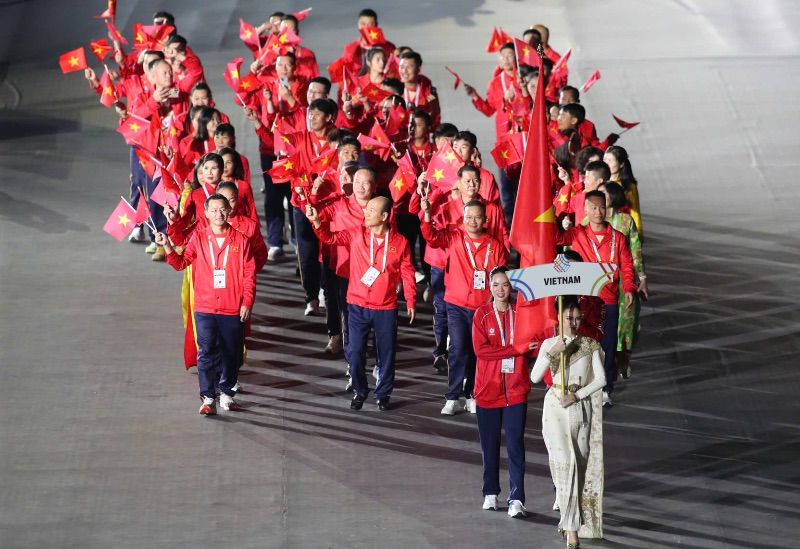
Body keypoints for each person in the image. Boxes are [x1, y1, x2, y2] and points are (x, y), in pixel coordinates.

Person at [307, 196, 417, 411]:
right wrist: (317, 223)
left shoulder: (400, 242)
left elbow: (408, 272)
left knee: (386, 353)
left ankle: (383, 393)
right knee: (355, 351)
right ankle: (360, 388)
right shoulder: (357, 234)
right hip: (357, 304)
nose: (365, 213)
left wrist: (411, 299)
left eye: (371, 210)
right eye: (366, 210)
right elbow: (330, 238)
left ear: (385, 216)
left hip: (385, 307)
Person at [156, 193, 256, 415]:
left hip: (232, 307)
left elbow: (249, 275)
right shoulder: (198, 239)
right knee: (207, 351)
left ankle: (227, 394)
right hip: (204, 307)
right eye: (214, 210)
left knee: (231, 353)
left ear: (228, 211)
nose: (219, 214)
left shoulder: (241, 240)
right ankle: (208, 397)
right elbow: (181, 263)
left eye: (223, 209)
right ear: (206, 213)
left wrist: (247, 301)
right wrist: (168, 246)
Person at [420, 197, 508, 415]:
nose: (473, 221)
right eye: (468, 217)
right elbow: (431, 237)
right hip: (456, 304)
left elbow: (500, 277)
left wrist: (495, 301)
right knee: (458, 348)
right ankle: (452, 396)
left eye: (477, 217)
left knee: (477, 352)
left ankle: (472, 394)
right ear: (463, 218)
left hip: (482, 308)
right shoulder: (455, 238)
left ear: (485, 219)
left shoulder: (494, 246)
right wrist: (428, 215)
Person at [530, 296, 606, 547]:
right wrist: (552, 353)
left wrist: (577, 395)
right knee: (565, 465)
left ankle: (567, 519)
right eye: (568, 318)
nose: (573, 323)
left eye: (576, 318)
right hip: (555, 407)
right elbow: (534, 377)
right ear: (559, 318)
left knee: (580, 466)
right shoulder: (549, 344)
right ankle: (572, 530)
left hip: (580, 406)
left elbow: (601, 380)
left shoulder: (590, 344)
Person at [557, 191, 636, 407]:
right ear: (585, 210)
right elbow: (556, 238)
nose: (598, 212)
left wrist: (628, 288)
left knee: (607, 345)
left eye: (601, 207)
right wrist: (558, 219)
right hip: (583, 300)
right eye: (593, 207)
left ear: (606, 209)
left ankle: (605, 388)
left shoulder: (618, 238)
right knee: (582, 344)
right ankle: (580, 386)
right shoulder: (577, 234)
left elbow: (627, 265)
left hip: (608, 300)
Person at [472, 267, 537, 518]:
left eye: (506, 285)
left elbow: (530, 346)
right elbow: (481, 351)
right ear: (490, 287)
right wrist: (515, 349)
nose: (501, 289)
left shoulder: (522, 313)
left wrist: (533, 347)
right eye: (496, 284)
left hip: (515, 389)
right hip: (487, 389)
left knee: (515, 446)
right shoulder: (481, 314)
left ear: (512, 288)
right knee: (489, 445)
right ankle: (490, 492)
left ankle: (517, 498)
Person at [595, 181, 648, 377]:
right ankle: (605, 375)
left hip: (623, 285)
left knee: (625, 328)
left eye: (603, 194)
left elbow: (636, 252)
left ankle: (623, 359)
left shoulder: (625, 221)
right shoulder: (586, 223)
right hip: (599, 287)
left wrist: (642, 277)